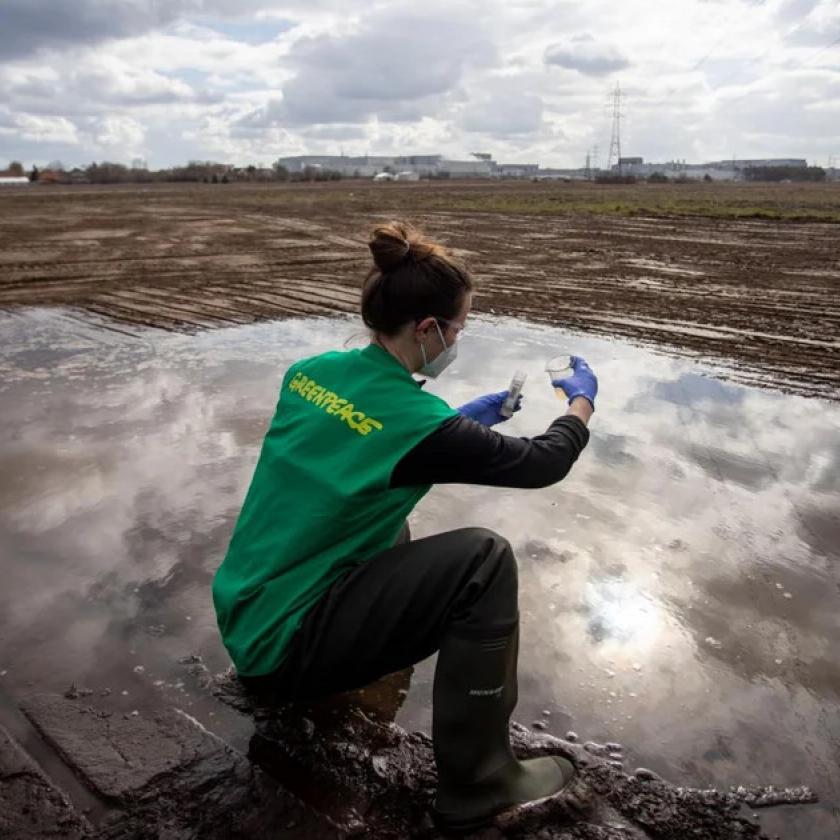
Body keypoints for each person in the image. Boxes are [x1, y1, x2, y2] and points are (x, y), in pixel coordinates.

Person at [212, 221, 598, 833]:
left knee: (389, 522)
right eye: (459, 327)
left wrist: (457, 424)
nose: (457, 339)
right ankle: (480, 781)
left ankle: (341, 669)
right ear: (427, 329)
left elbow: (361, 445)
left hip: (247, 616)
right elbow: (543, 463)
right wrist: (581, 404)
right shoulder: (419, 424)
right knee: (482, 560)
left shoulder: (310, 372)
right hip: (283, 648)